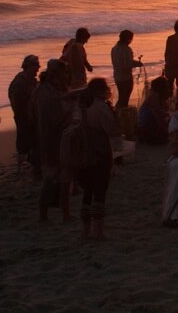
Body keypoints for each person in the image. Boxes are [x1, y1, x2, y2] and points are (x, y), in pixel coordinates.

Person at [73, 78, 122, 240]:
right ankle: (98, 231)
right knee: (100, 192)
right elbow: (111, 130)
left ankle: (85, 230)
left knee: (87, 192)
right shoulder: (101, 107)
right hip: (100, 153)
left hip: (83, 154)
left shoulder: (82, 107)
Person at [32, 59, 73, 221]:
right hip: (53, 140)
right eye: (65, 73)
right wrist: (71, 106)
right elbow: (58, 118)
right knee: (56, 178)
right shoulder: (47, 93)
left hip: (50, 138)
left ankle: (61, 213)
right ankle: (56, 214)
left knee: (58, 178)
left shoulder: (42, 90)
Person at [7, 54, 40, 175]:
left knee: (34, 141)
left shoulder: (33, 80)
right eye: (36, 65)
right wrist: (22, 115)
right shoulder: (19, 82)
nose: (38, 68)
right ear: (28, 66)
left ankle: (33, 165)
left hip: (32, 116)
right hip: (23, 117)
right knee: (23, 142)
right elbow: (14, 100)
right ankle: (21, 168)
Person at [111, 30, 142, 109]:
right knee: (124, 99)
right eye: (131, 39)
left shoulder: (114, 48)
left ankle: (117, 113)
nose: (131, 41)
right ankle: (119, 115)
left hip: (117, 76)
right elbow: (127, 64)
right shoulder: (126, 49)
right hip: (126, 78)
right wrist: (137, 64)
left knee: (121, 97)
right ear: (127, 39)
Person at [137, 76, 171, 145]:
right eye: (166, 85)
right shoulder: (153, 97)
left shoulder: (159, 96)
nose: (168, 87)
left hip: (153, 121)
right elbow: (157, 115)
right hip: (147, 124)